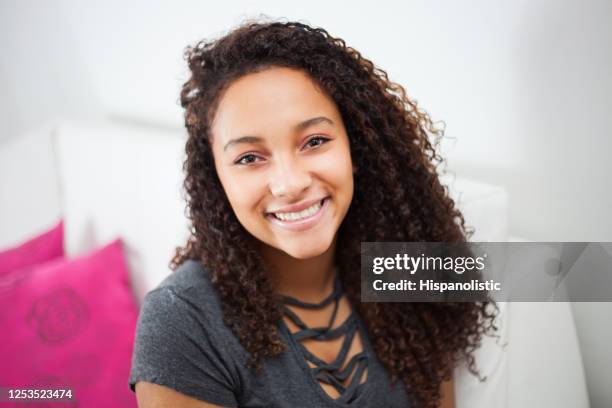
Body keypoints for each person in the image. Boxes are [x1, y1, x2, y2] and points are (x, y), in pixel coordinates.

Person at [129, 19, 498, 408]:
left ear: (356, 149)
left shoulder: (411, 264)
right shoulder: (180, 321)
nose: (289, 184)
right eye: (250, 157)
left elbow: (555, 272)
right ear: (217, 179)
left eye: (315, 141)